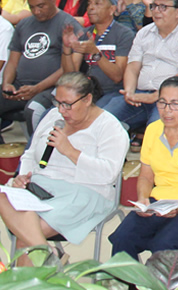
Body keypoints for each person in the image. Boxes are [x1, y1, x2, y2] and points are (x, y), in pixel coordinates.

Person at [0, 73, 126, 267]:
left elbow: (108, 174)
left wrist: (70, 151)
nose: (61, 110)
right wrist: (23, 176)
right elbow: (30, 153)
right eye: (58, 102)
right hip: (41, 185)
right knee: (3, 196)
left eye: (67, 104)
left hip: (86, 191)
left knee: (26, 235)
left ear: (87, 99)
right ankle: (49, 258)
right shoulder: (52, 116)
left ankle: (37, 273)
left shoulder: (110, 127)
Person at [109, 76, 178, 259]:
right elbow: (146, 176)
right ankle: (128, 286)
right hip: (160, 201)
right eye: (162, 103)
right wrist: (143, 199)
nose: (167, 111)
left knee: (163, 244)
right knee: (123, 237)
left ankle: (162, 287)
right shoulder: (153, 130)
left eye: (175, 104)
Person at [1, 0, 80, 142]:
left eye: (41, 6)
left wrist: (37, 88)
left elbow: (69, 69)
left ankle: (35, 154)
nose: (36, 11)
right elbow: (13, 61)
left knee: (33, 110)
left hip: (51, 88)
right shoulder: (24, 24)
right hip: (19, 86)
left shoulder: (69, 25)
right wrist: (7, 84)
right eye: (32, 7)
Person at [116, 0, 178, 131]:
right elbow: (132, 67)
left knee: (158, 132)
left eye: (163, 7)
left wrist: (157, 96)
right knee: (104, 120)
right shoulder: (144, 32)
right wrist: (129, 92)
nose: (156, 11)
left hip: (172, 100)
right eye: (154, 6)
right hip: (140, 95)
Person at [60, 0, 134, 119]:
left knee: (93, 118)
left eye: (97, 3)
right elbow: (71, 75)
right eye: (89, 4)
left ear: (112, 9)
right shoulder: (85, 34)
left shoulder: (124, 34)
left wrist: (95, 52)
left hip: (113, 92)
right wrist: (67, 48)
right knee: (52, 114)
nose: (91, 8)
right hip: (86, 91)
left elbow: (118, 76)